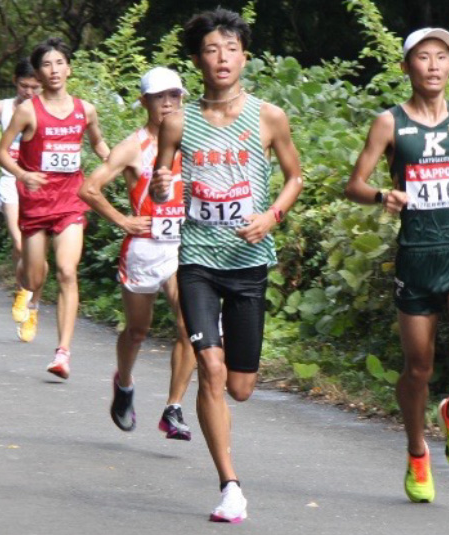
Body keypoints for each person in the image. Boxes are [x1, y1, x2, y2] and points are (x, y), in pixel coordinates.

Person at [150, 9, 303, 523]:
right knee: (210, 370)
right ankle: (230, 485)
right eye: (212, 50)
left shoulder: (268, 116)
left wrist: (271, 216)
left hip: (249, 262)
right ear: (197, 59)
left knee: (240, 385)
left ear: (244, 56)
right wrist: (160, 186)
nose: (222, 58)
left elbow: (294, 177)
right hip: (196, 260)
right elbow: (160, 177)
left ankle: (227, 458)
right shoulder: (177, 121)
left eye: (231, 49)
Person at [344, 28, 449, 503]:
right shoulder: (388, 124)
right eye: (422, 58)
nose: (433, 65)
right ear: (406, 67)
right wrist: (380, 195)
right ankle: (416, 453)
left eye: (441, 57)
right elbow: (354, 183)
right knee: (418, 370)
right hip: (416, 261)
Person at [80, 67, 196, 440]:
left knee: (189, 327)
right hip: (145, 249)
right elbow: (89, 189)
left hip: (183, 247)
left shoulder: (193, 141)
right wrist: (122, 221)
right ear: (144, 101)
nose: (168, 104)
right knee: (137, 331)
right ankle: (125, 384)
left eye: (175, 96)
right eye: (160, 97)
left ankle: (173, 408)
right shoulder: (133, 146)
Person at [0, 37, 110, 379]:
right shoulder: (28, 110)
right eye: (47, 64)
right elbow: (2, 152)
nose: (54, 70)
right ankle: (28, 293)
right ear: (38, 72)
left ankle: (62, 353)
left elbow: (98, 141)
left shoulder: (84, 110)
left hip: (70, 201)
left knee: (67, 271)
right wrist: (22, 174)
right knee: (33, 275)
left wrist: (112, 159)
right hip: (34, 203)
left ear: (69, 68)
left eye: (59, 63)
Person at [0, 59, 43, 336]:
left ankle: (34, 308)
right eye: (24, 86)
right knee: (20, 243)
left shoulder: (46, 111)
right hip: (10, 179)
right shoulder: (1, 107)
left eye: (34, 87)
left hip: (40, 184)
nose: (29, 92)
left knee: (39, 255)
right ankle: (22, 290)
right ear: (15, 82)